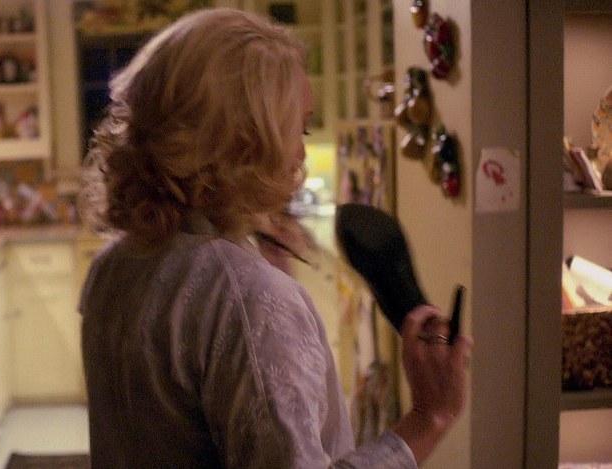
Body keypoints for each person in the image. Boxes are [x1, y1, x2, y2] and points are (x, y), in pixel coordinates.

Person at [78, 7, 472, 468]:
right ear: (245, 141)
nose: (301, 152)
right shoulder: (249, 299)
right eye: (297, 128)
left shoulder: (112, 266)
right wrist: (429, 417)